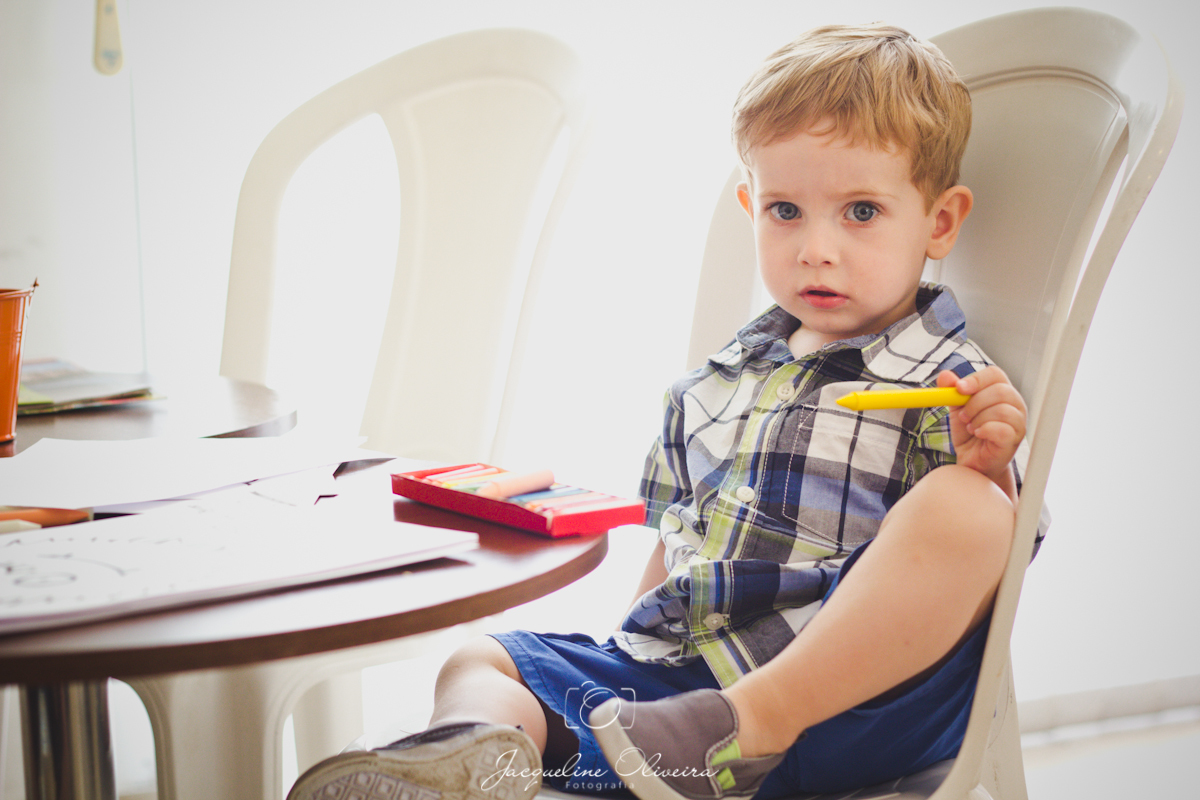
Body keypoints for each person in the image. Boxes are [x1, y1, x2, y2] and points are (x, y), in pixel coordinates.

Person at [287, 21, 1044, 800]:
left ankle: (748, 726)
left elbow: (980, 566)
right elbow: (674, 553)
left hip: (844, 703)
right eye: (786, 211)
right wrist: (630, 669)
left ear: (940, 222)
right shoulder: (713, 385)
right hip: (686, 697)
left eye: (859, 213)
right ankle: (464, 767)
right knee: (483, 659)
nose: (816, 247)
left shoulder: (947, 384)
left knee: (973, 509)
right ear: (753, 205)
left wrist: (987, 469)